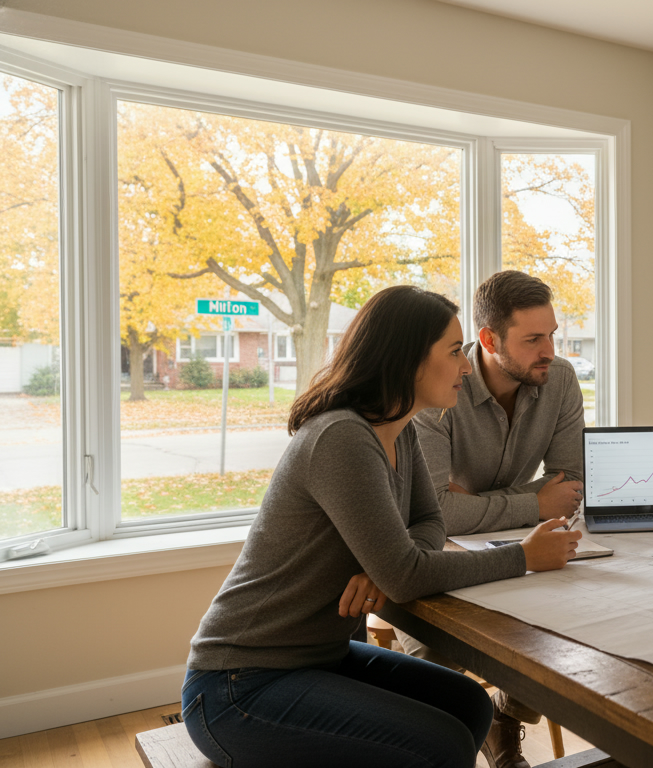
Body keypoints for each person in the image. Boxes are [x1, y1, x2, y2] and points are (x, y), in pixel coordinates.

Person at [181, 285, 581, 768]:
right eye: (455, 353)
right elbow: (406, 577)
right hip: (238, 685)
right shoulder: (342, 437)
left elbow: (429, 519)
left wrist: (389, 562)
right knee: (442, 744)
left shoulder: (401, 428)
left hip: (320, 657)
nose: (467, 366)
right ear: (409, 360)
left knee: (470, 705)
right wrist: (522, 557)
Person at [399, 270, 585, 768]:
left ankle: (504, 716)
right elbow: (438, 512)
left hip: (526, 544)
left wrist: (478, 504)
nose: (549, 350)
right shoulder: (435, 386)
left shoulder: (559, 378)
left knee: (573, 626)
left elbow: (570, 484)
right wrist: (533, 501)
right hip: (437, 550)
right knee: (434, 663)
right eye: (532, 339)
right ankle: (468, 730)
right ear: (488, 339)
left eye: (551, 335)